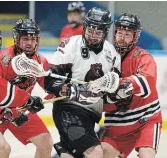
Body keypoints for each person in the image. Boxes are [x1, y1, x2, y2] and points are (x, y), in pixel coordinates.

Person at [45, 7, 121, 158]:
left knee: (75, 155)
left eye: (97, 32)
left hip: (91, 114)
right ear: (84, 27)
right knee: (95, 153)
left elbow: (113, 88)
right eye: (90, 31)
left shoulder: (112, 54)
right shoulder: (70, 45)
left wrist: (118, 91)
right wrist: (67, 89)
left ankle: (63, 150)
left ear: (105, 33)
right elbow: (49, 80)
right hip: (68, 109)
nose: (92, 36)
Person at [0, 19, 53, 158]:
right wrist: (11, 112)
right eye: (25, 39)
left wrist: (63, 90)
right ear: (16, 38)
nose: (29, 43)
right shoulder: (3, 59)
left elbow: (50, 86)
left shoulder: (40, 61)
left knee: (46, 141)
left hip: (23, 112)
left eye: (33, 39)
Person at [100, 13, 162, 158]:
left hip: (146, 118)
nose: (122, 37)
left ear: (135, 37)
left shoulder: (143, 57)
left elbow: (147, 83)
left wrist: (119, 84)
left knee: (146, 154)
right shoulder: (105, 59)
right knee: (102, 153)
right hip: (118, 122)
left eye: (127, 34)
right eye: (119, 33)